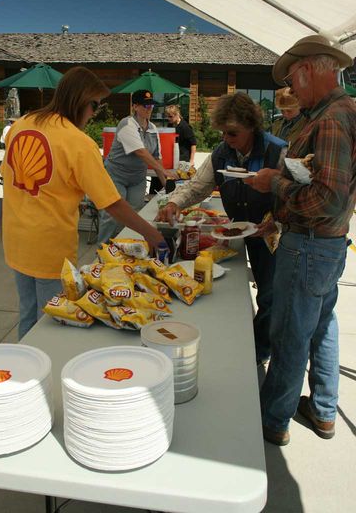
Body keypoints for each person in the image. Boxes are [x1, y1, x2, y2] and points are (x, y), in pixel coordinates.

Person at [246, 34, 356, 446]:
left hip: (310, 244)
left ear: (309, 69)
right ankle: (325, 411)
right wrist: (278, 216)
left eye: (293, 78)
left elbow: (327, 198)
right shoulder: (340, 112)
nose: (290, 89)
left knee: (290, 334)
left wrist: (275, 183)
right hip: (328, 243)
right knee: (323, 325)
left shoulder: (329, 120)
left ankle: (273, 420)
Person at [1, 68, 165, 339]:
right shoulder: (78, 143)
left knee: (28, 314)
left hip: (16, 239)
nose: (93, 114)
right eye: (95, 107)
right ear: (81, 101)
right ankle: (43, 378)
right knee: (52, 325)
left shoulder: (22, 123)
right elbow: (112, 203)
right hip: (49, 246)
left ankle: (23, 372)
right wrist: (153, 234)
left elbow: (10, 176)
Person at [157, 92, 287, 364]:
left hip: (271, 235)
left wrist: (278, 219)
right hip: (238, 231)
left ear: (251, 126)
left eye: (233, 133)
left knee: (271, 296)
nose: (227, 139)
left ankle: (258, 353)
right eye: (223, 133)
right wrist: (174, 203)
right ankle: (239, 344)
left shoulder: (278, 151)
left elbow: (296, 195)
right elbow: (198, 186)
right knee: (232, 296)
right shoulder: (221, 153)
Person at [97, 89, 173, 245]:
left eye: (151, 105)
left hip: (137, 178)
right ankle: (101, 250)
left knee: (135, 214)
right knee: (111, 215)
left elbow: (157, 158)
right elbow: (141, 152)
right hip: (116, 175)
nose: (149, 108)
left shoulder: (152, 128)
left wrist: (167, 185)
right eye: (145, 105)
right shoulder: (127, 124)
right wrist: (165, 171)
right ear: (135, 107)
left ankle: (128, 248)